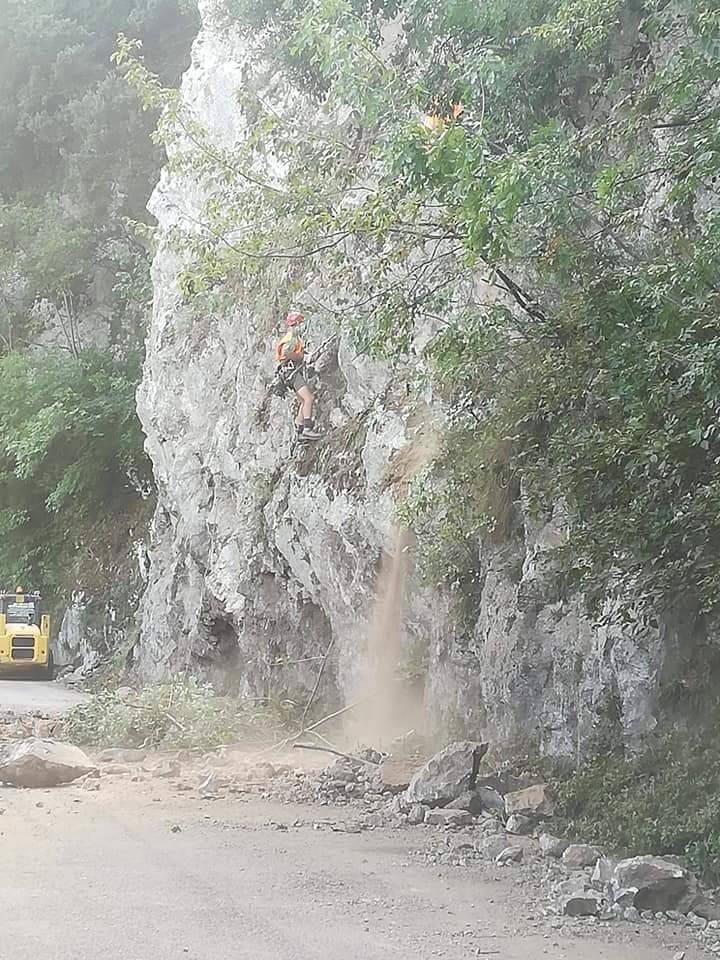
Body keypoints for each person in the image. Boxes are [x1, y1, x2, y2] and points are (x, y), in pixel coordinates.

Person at [274, 311, 322, 442]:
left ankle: (299, 429)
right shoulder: (292, 338)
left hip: (288, 374)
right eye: (301, 324)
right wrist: (301, 357)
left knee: (303, 401)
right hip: (292, 374)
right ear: (296, 324)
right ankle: (307, 429)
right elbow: (286, 352)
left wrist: (307, 356)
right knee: (309, 398)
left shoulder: (294, 338)